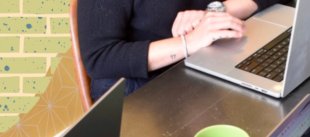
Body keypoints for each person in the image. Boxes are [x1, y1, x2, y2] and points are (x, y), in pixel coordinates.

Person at [78, 0, 280, 99]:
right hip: (142, 85)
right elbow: (99, 58)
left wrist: (214, 13)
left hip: (209, 62)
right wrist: (189, 42)